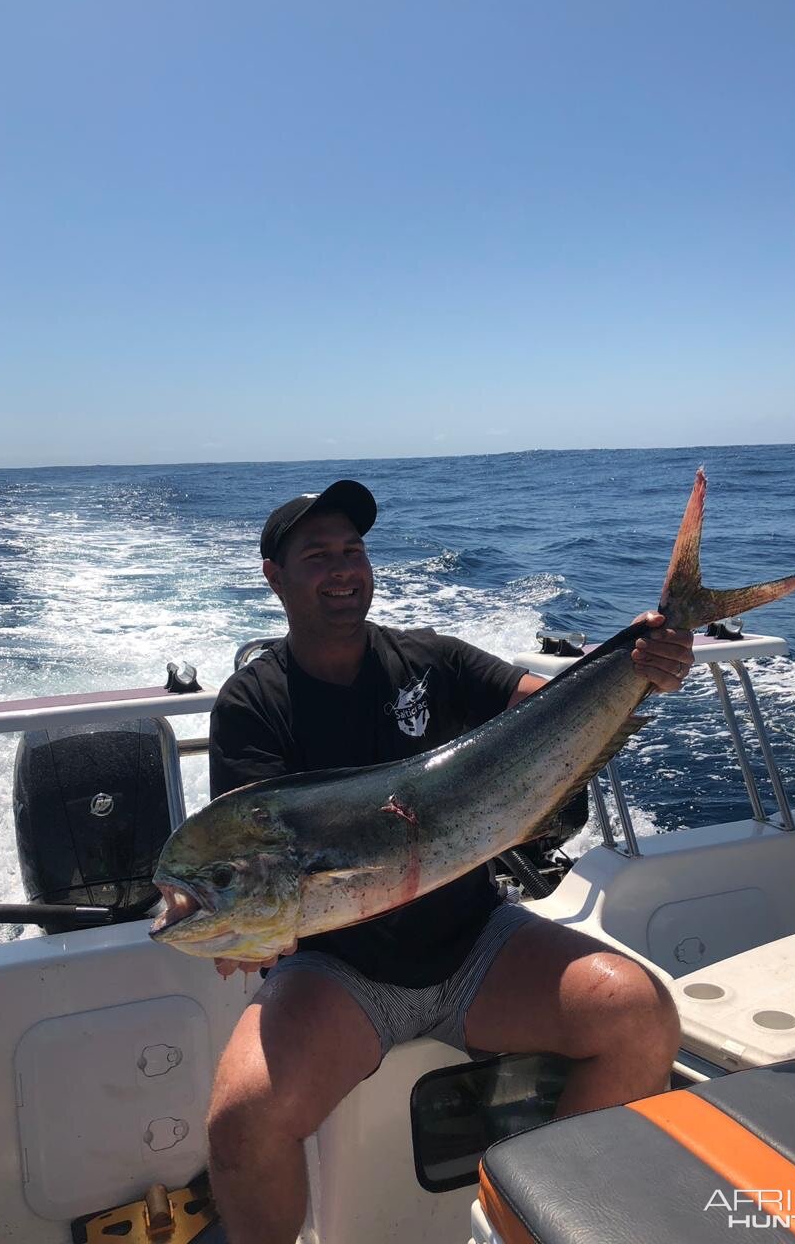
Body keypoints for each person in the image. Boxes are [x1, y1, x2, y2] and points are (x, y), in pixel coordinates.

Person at [206, 480, 691, 1244]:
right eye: (317, 556)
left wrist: (634, 665)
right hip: (340, 970)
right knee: (241, 1120)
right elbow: (248, 857)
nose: (342, 569)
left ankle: (540, 1226)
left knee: (639, 1015)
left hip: (474, 941)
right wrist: (245, 931)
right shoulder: (252, 704)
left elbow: (547, 702)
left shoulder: (429, 658)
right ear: (274, 575)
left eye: (353, 550)